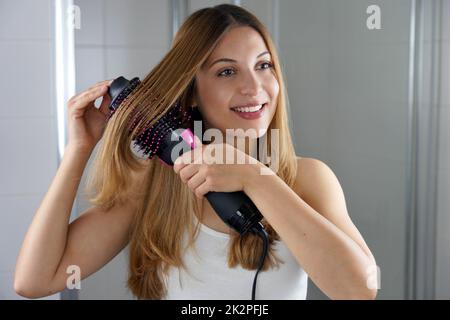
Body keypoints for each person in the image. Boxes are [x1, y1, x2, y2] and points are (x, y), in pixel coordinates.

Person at [14, 4, 377, 300]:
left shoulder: (306, 180)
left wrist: (257, 178)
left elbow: (360, 289)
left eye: (263, 65)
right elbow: (35, 281)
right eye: (226, 72)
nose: (254, 87)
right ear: (191, 91)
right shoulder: (154, 185)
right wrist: (78, 150)